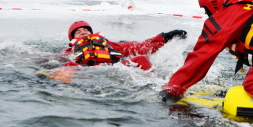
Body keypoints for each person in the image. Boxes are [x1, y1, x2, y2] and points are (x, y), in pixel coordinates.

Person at [37, 20, 187, 81]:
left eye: (85, 30)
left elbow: (139, 47)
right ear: (72, 38)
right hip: (85, 69)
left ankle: (156, 85)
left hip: (113, 68)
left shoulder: (110, 45)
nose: (83, 32)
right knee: (68, 67)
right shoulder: (69, 51)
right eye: (78, 32)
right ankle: (53, 81)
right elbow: (52, 59)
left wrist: (165, 37)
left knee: (141, 59)